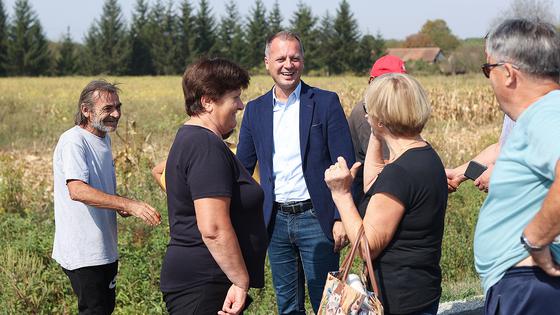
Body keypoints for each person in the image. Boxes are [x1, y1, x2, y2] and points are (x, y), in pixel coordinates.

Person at [236, 31, 355, 314]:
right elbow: (241, 168)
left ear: (302, 61)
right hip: (275, 222)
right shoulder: (255, 110)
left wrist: (341, 218)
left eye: (295, 58)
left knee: (327, 306)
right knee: (288, 306)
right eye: (280, 59)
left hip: (318, 218)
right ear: (267, 63)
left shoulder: (325, 103)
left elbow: (345, 163)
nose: (288, 65)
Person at [325, 73, 447, 315]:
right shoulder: (425, 157)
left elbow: (366, 247)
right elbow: (374, 183)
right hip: (420, 290)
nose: (366, 115)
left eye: (369, 111)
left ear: (379, 119)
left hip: (399, 300)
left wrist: (341, 194)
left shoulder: (400, 173)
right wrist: (377, 132)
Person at [159, 58, 268, 315]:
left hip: (205, 279)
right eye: (235, 97)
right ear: (208, 101)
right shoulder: (204, 146)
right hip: (204, 282)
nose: (240, 105)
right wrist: (241, 280)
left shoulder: (192, 138)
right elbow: (213, 228)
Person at [473, 19, 560, 314]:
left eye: (488, 70)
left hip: (527, 285)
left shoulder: (545, 112)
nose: (489, 80)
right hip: (526, 284)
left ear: (508, 73)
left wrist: (535, 239)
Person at [52, 80, 162, 314]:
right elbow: (77, 190)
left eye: (118, 107)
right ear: (86, 110)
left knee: (105, 308)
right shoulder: (74, 141)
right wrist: (128, 204)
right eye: (107, 109)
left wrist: (117, 203)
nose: (116, 114)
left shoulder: (103, 137)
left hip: (103, 248)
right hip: (84, 252)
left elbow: (95, 187)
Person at [348, 55, 406, 205]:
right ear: (372, 82)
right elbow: (387, 165)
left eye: (399, 83)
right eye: (387, 83)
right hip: (371, 196)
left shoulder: (390, 111)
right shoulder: (366, 116)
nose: (393, 90)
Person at [446, 115, 515, 193]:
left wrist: (502, 173)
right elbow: (500, 149)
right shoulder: (512, 112)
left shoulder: (528, 111)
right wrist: (456, 174)